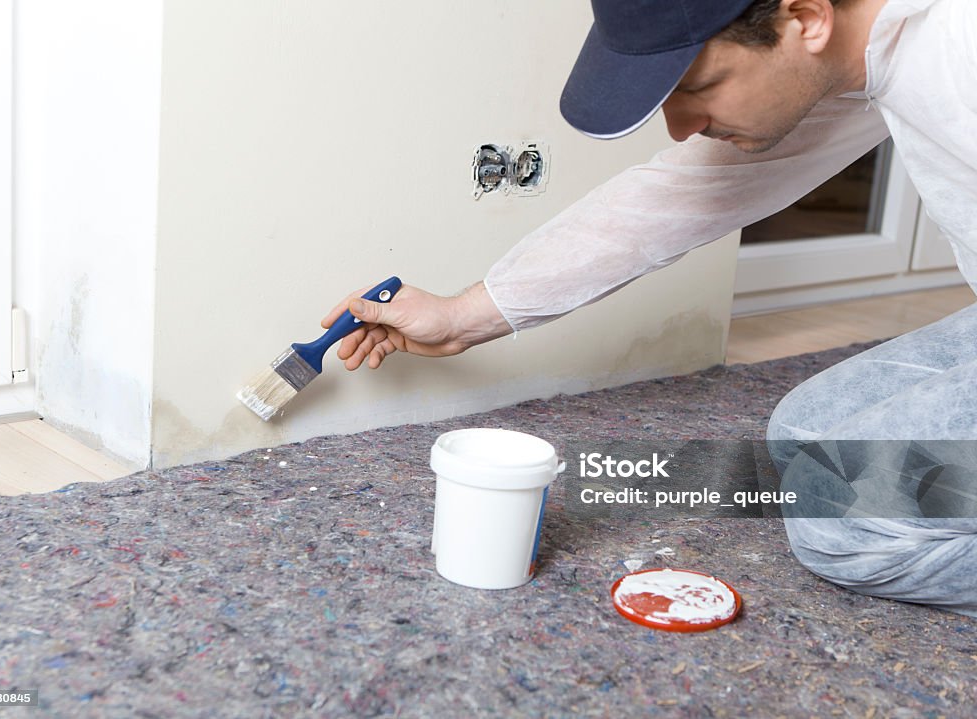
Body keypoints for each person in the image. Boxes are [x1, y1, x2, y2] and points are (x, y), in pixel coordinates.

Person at [321, 0, 977, 615]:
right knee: (800, 438)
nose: (681, 124)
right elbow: (686, 194)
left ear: (804, 16)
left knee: (845, 528)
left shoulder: (958, 54)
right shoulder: (862, 47)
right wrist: (467, 314)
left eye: (696, 87)